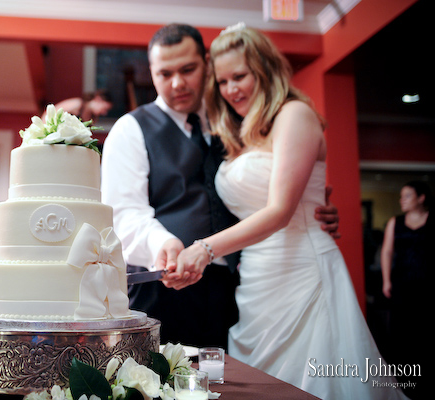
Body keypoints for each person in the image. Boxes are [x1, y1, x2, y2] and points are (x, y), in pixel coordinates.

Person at [168, 23, 408, 399]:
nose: (232, 89)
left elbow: (280, 210)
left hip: (303, 273)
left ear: (264, 69)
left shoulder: (294, 114)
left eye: (240, 76)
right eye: (224, 81)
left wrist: (205, 248)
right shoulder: (242, 131)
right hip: (258, 281)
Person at [100, 23, 339, 349]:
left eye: (188, 69)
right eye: (164, 73)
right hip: (163, 288)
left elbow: (278, 185)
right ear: (152, 73)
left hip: (233, 285)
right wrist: (165, 243)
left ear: (207, 64)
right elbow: (124, 214)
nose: (177, 83)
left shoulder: (238, 118)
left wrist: (310, 209)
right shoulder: (130, 129)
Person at [380, 180, 432, 399]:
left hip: (428, 284)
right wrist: (386, 280)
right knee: (401, 332)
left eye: (407, 196)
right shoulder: (396, 221)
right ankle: (404, 382)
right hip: (402, 282)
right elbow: (387, 251)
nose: (402, 200)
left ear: (421, 198)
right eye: (401, 196)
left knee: (425, 331)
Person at [44, 89, 113, 122]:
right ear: (98, 99)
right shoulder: (77, 104)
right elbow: (49, 113)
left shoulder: (93, 118)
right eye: (105, 109)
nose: (104, 113)